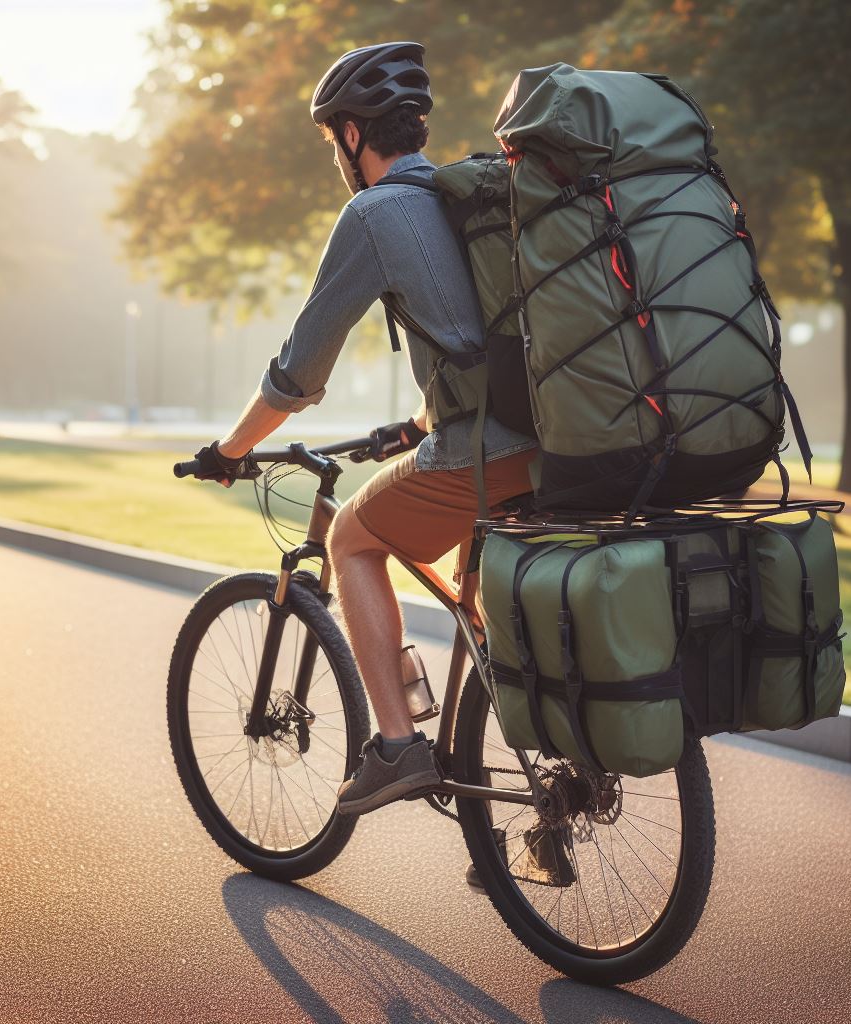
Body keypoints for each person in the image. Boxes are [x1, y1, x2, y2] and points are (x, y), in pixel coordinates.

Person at [188, 42, 537, 816]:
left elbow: (298, 375)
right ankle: (506, 823)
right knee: (480, 615)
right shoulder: (466, 197)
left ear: (351, 135)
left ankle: (398, 747)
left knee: (350, 536)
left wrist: (230, 450)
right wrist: (414, 425)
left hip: (491, 453)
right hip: (562, 443)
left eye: (330, 141)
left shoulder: (377, 212)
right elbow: (490, 345)